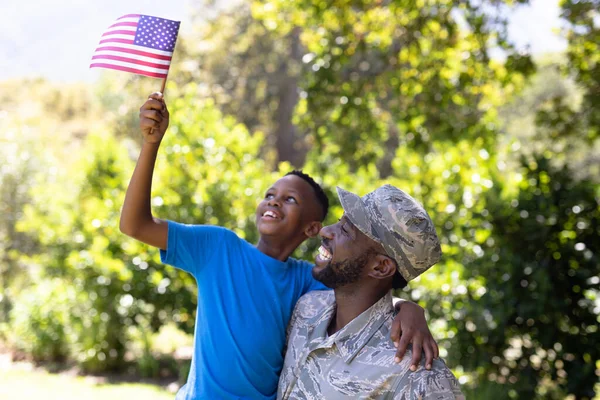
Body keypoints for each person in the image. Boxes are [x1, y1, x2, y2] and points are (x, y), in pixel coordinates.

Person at [120, 92, 439, 400]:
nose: (274, 202)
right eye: (270, 195)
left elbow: (362, 294)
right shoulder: (218, 248)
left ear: (312, 228)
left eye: (290, 200)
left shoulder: (306, 280)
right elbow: (134, 225)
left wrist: (408, 308)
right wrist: (151, 144)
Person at [278, 184, 465, 399]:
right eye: (340, 221)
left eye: (346, 230)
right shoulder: (308, 308)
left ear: (380, 267)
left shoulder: (417, 378)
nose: (325, 230)